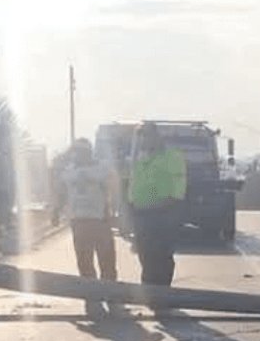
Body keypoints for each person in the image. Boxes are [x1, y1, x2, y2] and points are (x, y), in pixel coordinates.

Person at [52, 138, 120, 318]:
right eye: (76, 151)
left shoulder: (102, 169)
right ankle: (91, 296)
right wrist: (56, 211)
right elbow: (62, 192)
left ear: (89, 152)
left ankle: (111, 293)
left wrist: (115, 212)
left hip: (100, 221)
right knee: (84, 261)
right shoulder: (69, 171)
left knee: (107, 261)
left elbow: (114, 190)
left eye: (82, 151)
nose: (78, 154)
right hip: (79, 221)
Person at [128, 123, 187, 287]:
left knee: (162, 255)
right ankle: (149, 290)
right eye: (141, 137)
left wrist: (169, 204)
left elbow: (178, 185)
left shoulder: (172, 156)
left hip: (163, 213)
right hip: (141, 213)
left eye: (146, 136)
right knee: (145, 254)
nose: (143, 140)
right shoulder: (141, 159)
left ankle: (162, 292)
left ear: (156, 136)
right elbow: (135, 183)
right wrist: (131, 204)